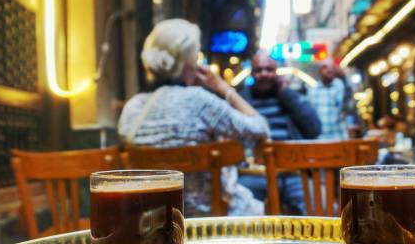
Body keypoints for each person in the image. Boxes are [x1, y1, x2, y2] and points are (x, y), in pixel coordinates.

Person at [118, 19, 270, 217]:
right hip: (216, 221)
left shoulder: (132, 109)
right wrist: (223, 88)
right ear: (188, 61)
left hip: (157, 225)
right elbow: (260, 127)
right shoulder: (200, 101)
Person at [238, 52, 321, 214]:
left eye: (268, 70)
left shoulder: (290, 96)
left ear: (276, 72)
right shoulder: (242, 100)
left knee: (312, 213)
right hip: (254, 173)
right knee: (242, 212)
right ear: (252, 73)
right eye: (258, 70)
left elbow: (314, 129)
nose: (264, 74)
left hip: (292, 172)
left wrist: (286, 94)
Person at [307, 59, 349, 141]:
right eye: (325, 67)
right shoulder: (312, 91)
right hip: (320, 139)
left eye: (331, 67)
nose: (329, 70)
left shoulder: (340, 86)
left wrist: (344, 76)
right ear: (319, 71)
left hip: (339, 138)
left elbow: (349, 105)